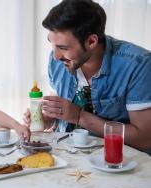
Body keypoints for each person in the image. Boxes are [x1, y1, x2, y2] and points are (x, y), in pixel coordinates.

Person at [25, 0, 151, 154]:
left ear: (91, 41)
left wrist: (79, 116)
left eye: (63, 48)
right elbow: (62, 107)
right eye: (52, 45)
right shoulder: (57, 61)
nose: (56, 56)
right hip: (68, 158)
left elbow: (144, 139)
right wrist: (49, 119)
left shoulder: (138, 64)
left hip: (118, 163)